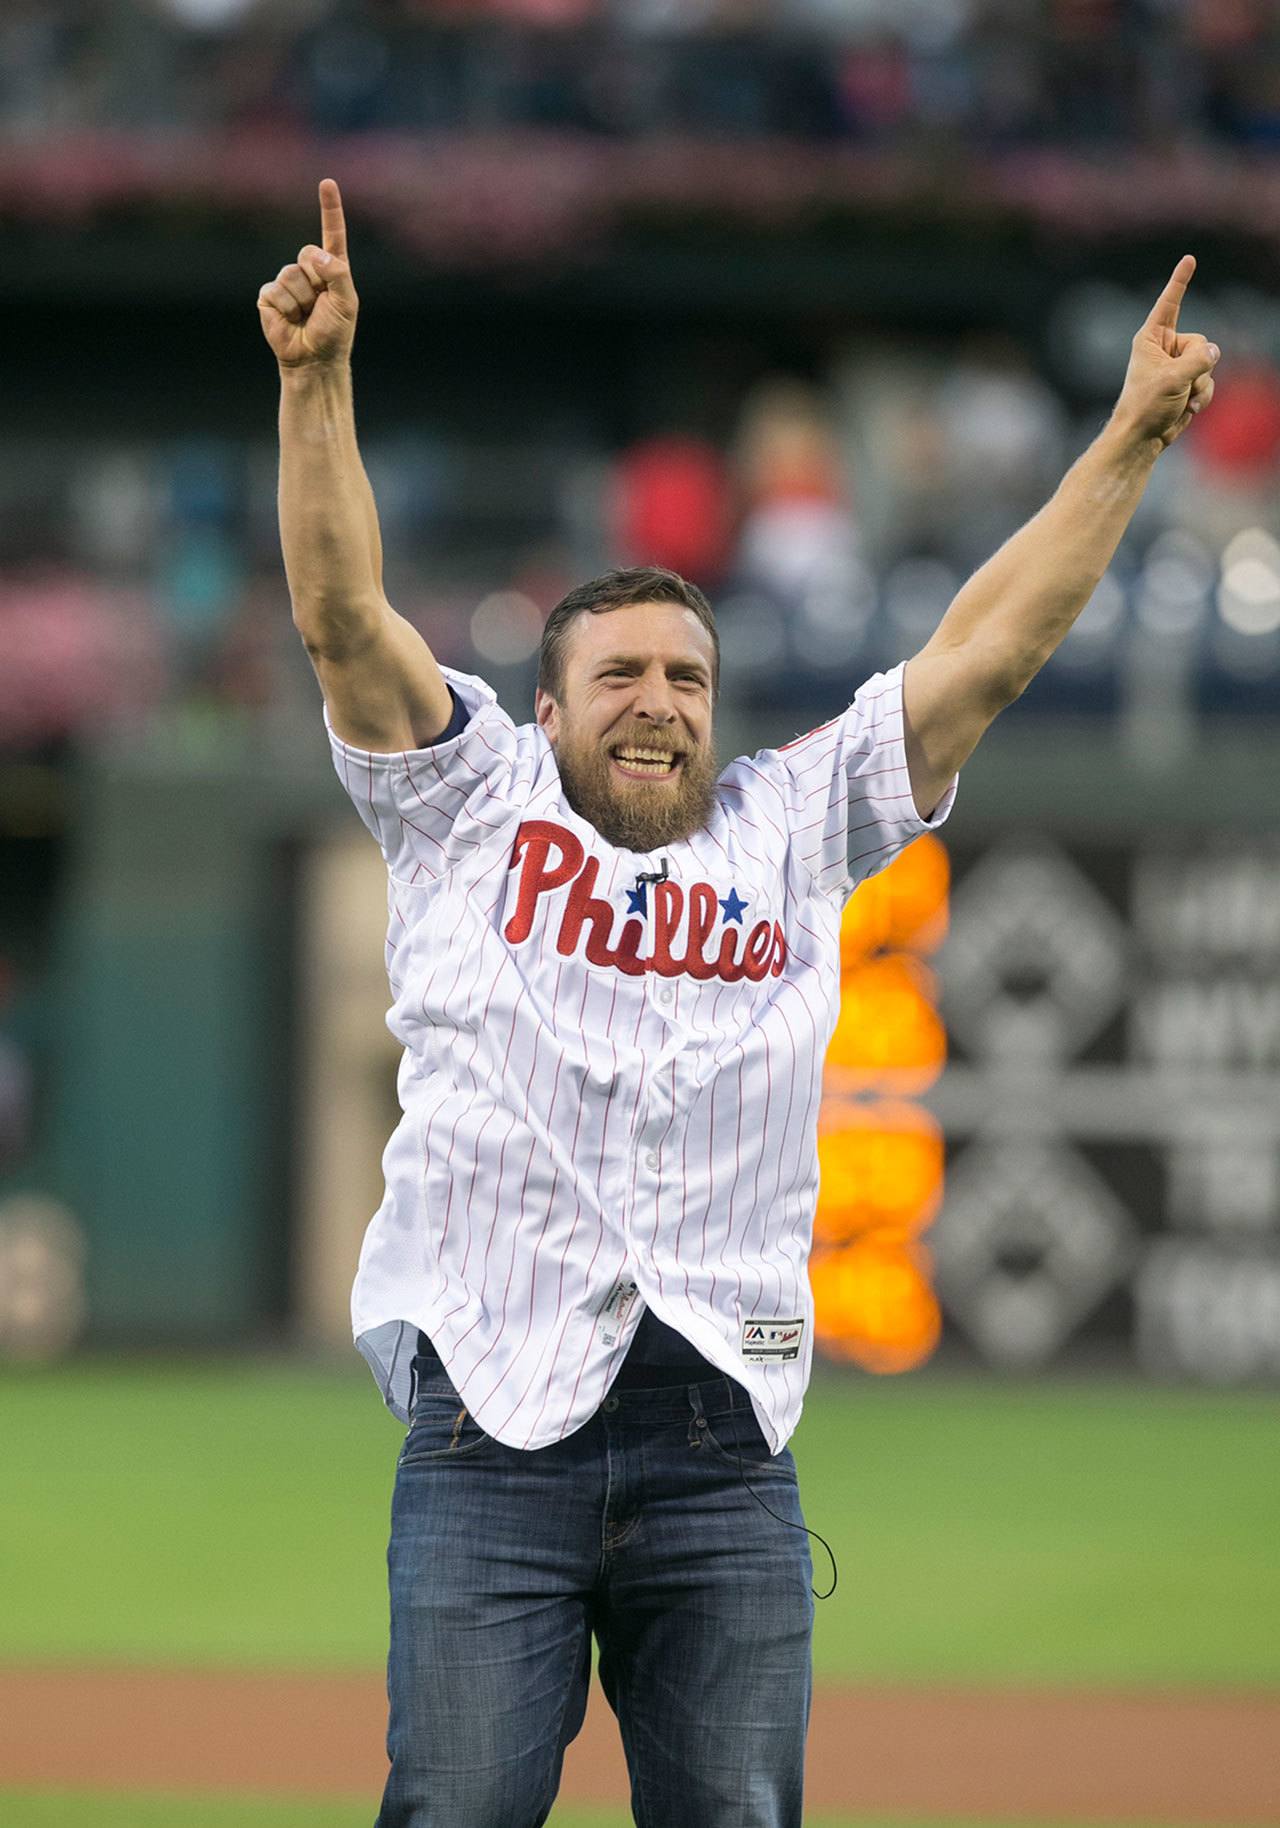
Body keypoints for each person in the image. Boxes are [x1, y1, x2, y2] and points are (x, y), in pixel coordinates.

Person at [257, 180, 1219, 1828]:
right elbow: (346, 616)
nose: (657, 702)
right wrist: (315, 382)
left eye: (686, 675)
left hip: (725, 1447)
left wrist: (1130, 435)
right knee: (456, 1812)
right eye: (619, 674)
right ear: (546, 704)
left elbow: (987, 647)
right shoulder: (469, 801)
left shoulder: (796, 821)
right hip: (497, 1430)